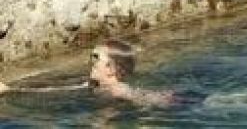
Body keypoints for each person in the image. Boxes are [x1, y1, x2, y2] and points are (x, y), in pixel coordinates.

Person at [0, 40, 176, 108]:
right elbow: (57, 89)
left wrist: (161, 99)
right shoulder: (93, 84)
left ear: (111, 68)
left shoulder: (117, 89)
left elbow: (139, 96)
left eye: (96, 57)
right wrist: (10, 89)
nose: (91, 61)